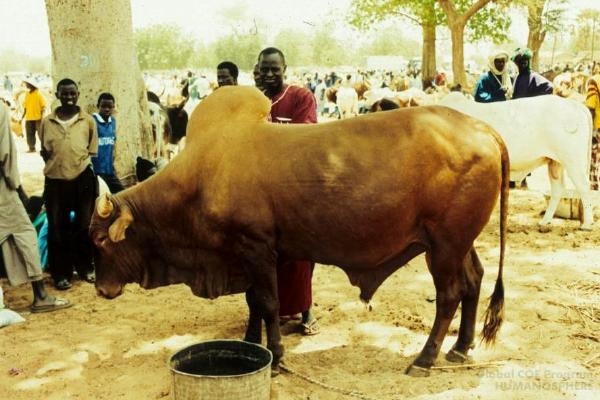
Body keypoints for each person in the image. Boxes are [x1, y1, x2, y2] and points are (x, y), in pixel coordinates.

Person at [257, 46, 319, 335]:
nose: (269, 74)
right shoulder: (253, 100)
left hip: (294, 185)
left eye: (274, 69)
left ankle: (307, 311)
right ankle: (273, 309)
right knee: (265, 253)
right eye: (264, 69)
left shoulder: (300, 97)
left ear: (284, 69)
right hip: (261, 187)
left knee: (300, 252)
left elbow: (304, 138)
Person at [0, 101, 72, 314]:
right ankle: (40, 295)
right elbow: (5, 155)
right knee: (25, 234)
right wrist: (18, 188)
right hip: (3, 191)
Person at [40, 78, 98, 290]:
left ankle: (85, 268)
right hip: (55, 182)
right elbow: (45, 151)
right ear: (57, 95)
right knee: (57, 227)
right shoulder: (47, 122)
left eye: (72, 93)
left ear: (78, 94)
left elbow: (91, 150)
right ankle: (61, 274)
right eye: (64, 94)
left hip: (82, 179)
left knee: (84, 225)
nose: (69, 98)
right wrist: (58, 167)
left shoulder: (88, 121)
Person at [91, 92, 124, 193]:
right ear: (98, 106)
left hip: (109, 171)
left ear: (113, 107)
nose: (107, 109)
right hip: (96, 172)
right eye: (103, 106)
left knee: (122, 193)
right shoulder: (92, 121)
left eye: (110, 107)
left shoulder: (112, 122)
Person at [21, 77, 46, 153]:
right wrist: (22, 116)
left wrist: (42, 117)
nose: (27, 85)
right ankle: (32, 148)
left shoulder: (38, 94)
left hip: (38, 118)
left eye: (28, 84)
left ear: (31, 85)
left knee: (41, 134)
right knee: (29, 134)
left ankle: (45, 148)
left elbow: (43, 107)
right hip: (29, 118)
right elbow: (25, 107)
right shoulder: (27, 94)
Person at [585, 78, 600, 190]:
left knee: (594, 158)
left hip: (598, 127)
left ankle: (594, 186)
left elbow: (591, 107)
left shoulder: (594, 81)